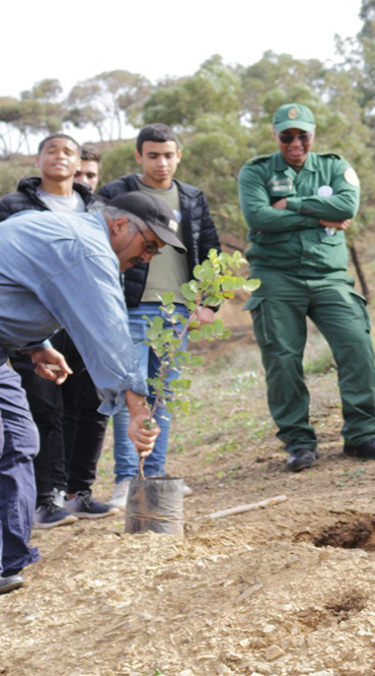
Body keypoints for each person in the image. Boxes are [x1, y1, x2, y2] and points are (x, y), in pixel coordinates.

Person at [0, 191, 173, 594]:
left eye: (156, 253)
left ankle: (6, 561)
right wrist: (136, 405)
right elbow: (109, 331)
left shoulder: (66, 232)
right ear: (118, 225)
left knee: (19, 441)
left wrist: (36, 344)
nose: (147, 258)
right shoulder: (88, 249)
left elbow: (18, 283)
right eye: (148, 245)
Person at [238, 103, 375, 473]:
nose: (296, 143)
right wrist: (318, 216)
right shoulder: (256, 171)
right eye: (287, 136)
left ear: (313, 134)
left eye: (303, 135)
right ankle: (298, 442)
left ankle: (360, 434)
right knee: (282, 360)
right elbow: (258, 216)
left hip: (329, 277)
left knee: (356, 346)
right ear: (275, 135)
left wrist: (291, 205)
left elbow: (347, 206)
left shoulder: (334, 165)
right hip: (276, 277)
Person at [98, 124, 222, 507]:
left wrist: (209, 303)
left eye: (168, 155)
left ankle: (153, 476)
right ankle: (125, 481)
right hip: (130, 309)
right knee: (131, 393)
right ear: (138, 157)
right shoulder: (116, 194)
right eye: (153, 155)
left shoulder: (191, 196)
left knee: (163, 394)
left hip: (177, 312)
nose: (161, 162)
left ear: (178, 155)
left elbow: (210, 247)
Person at [0, 133, 114, 529]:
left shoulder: (97, 208)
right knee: (44, 407)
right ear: (38, 159)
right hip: (35, 327)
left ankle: (79, 492)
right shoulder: (13, 207)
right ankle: (45, 498)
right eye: (52, 150)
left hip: (83, 319)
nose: (61, 157)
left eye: (69, 151)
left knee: (92, 404)